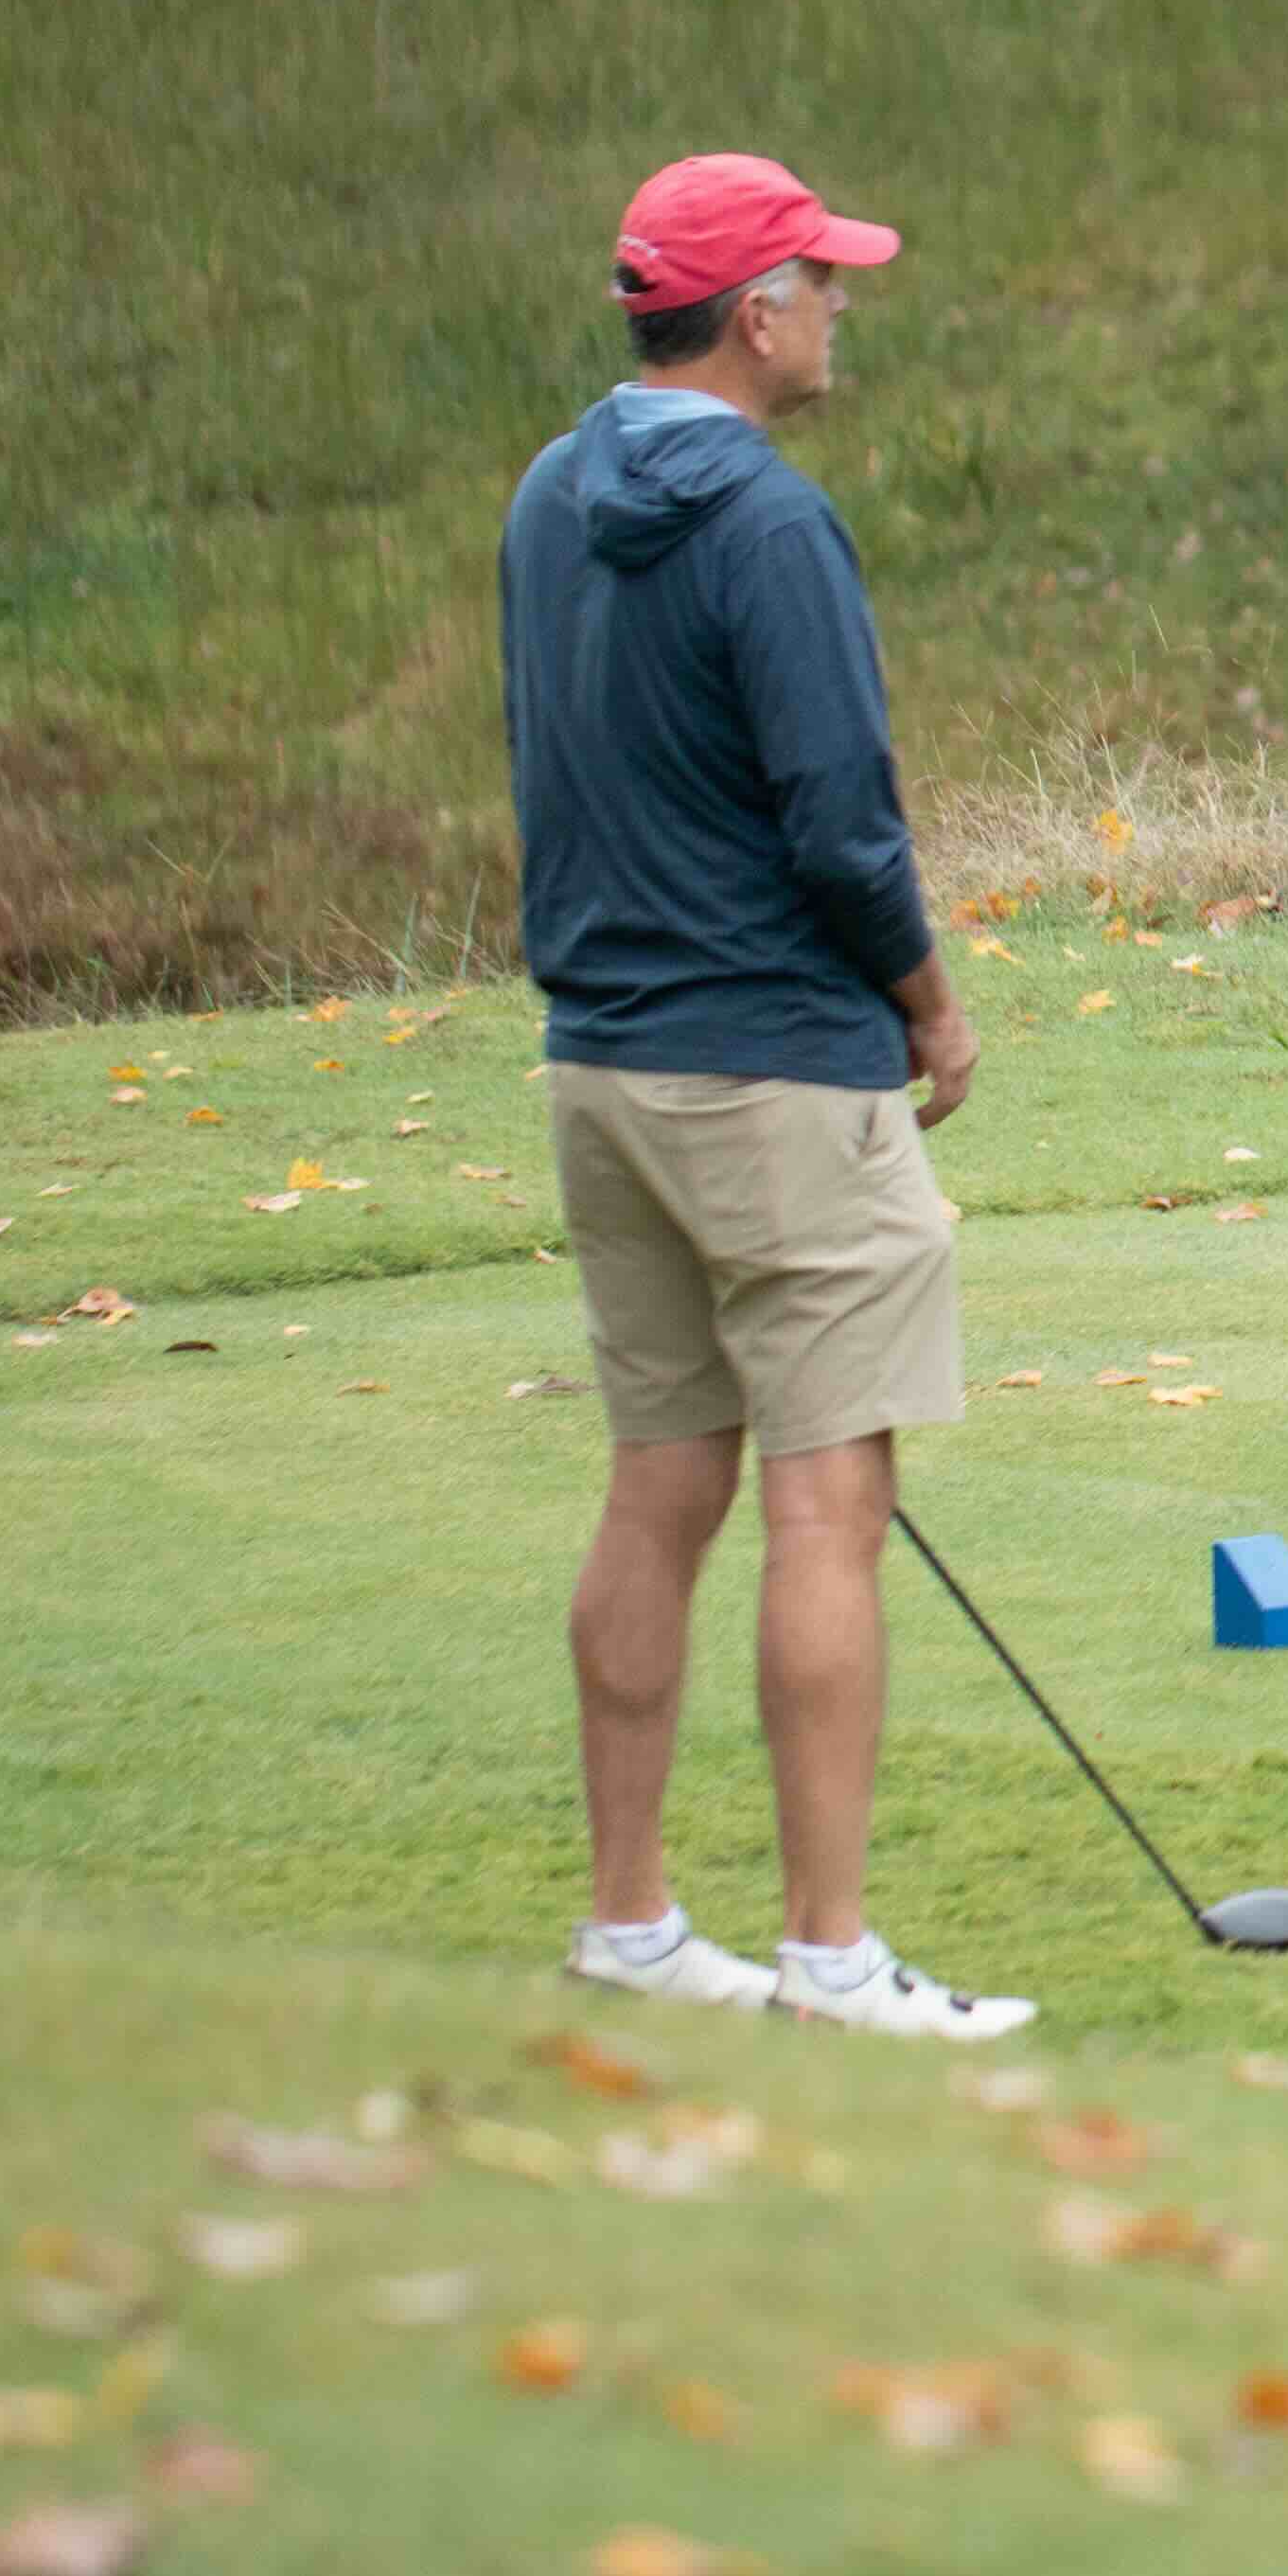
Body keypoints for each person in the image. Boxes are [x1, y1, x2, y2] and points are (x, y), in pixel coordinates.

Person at [507, 153, 1033, 2039]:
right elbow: (841, 820)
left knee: (661, 1485)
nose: (840, 307)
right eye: (822, 279)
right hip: (776, 1069)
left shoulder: (552, 494)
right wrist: (933, 1006)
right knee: (829, 1508)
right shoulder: (772, 528)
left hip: (604, 1065)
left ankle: (634, 1922)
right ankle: (830, 1954)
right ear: (754, 313)